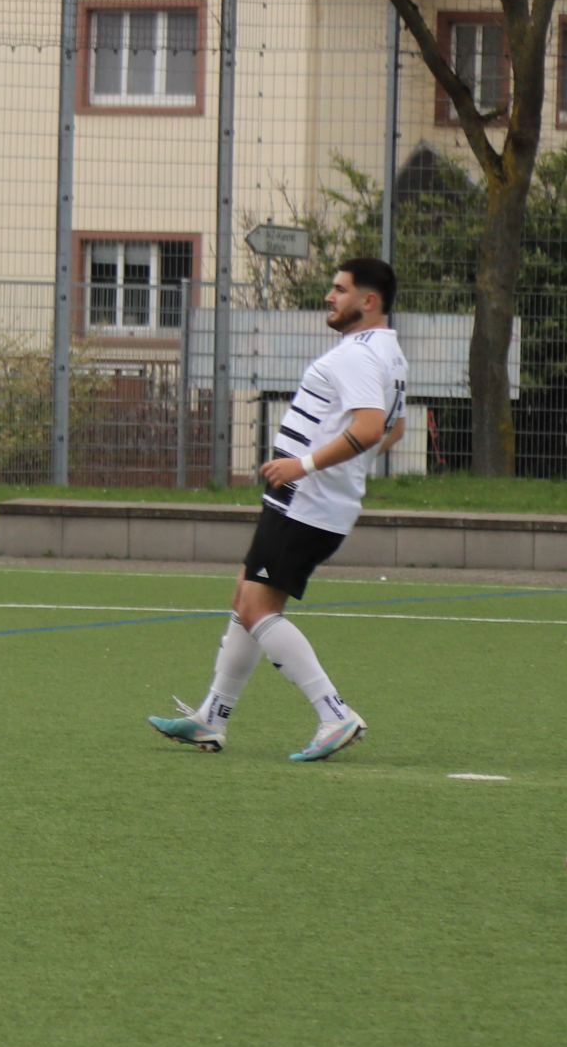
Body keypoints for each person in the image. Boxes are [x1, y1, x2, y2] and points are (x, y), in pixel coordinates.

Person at [147, 258, 408, 761]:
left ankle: (334, 713)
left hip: (306, 503)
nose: (329, 296)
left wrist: (304, 466)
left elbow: (372, 428)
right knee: (245, 596)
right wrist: (339, 470)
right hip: (307, 501)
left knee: (257, 609)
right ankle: (211, 718)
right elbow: (394, 429)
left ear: (368, 300)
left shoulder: (357, 355)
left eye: (340, 289)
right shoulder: (388, 353)